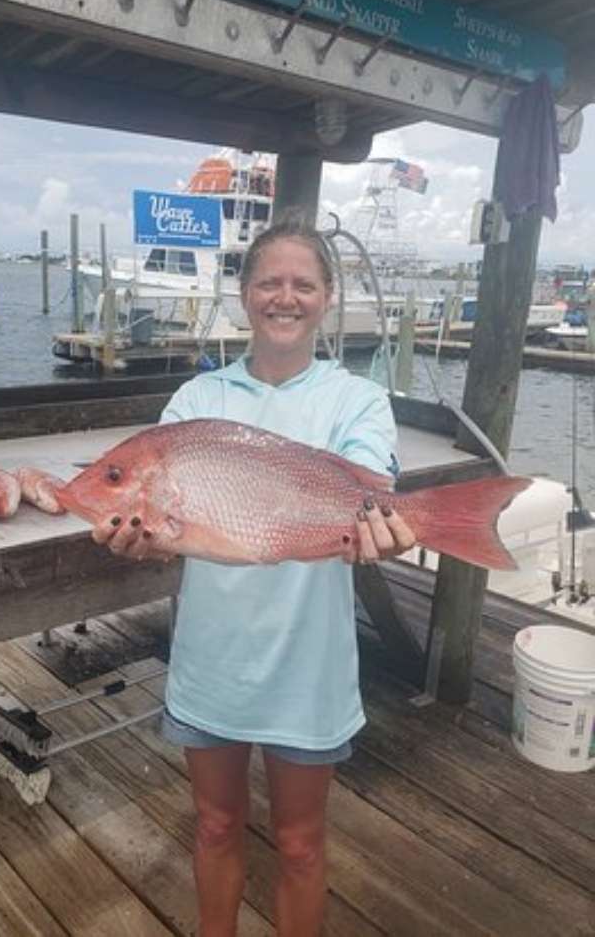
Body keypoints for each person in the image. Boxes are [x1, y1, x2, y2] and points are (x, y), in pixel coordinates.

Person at [91, 218, 416, 937]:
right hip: (214, 664)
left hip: (310, 665)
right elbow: (169, 531)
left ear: (327, 298)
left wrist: (383, 529)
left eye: (303, 283)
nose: (285, 296)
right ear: (244, 294)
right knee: (212, 827)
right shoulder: (196, 405)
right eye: (269, 281)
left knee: (300, 843)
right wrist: (144, 545)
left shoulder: (354, 401)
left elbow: (371, 487)